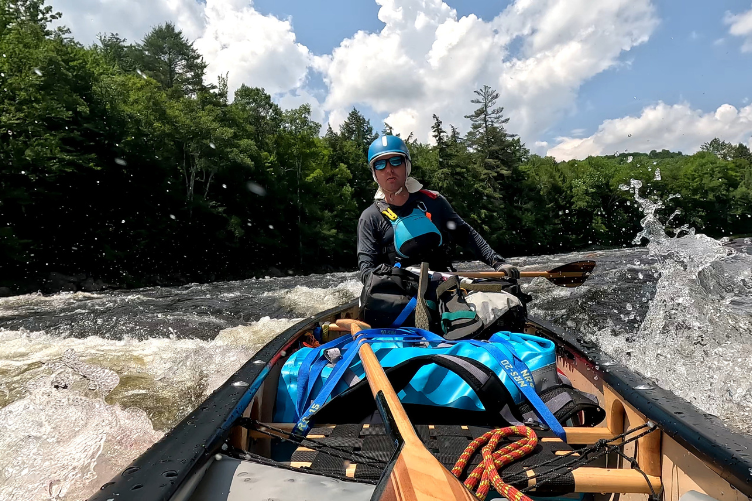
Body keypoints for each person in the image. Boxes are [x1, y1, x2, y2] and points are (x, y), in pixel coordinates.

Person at [357, 135, 519, 284]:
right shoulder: (370, 218)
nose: (389, 169)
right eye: (380, 164)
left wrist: (497, 262)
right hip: (398, 291)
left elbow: (466, 234)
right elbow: (366, 271)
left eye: (395, 161)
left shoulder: (434, 202)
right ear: (375, 173)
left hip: (442, 284)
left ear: (407, 165)